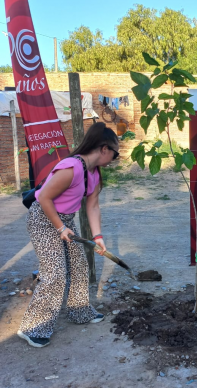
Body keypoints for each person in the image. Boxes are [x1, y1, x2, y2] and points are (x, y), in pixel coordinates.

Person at [17, 123, 120, 348]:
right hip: (44, 220)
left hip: (65, 221)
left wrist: (98, 236)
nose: (114, 158)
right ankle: (33, 327)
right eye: (115, 152)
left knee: (78, 266)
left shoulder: (93, 173)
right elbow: (44, 198)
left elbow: (92, 206)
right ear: (104, 149)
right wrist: (60, 228)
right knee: (54, 273)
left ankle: (79, 311)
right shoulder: (71, 168)